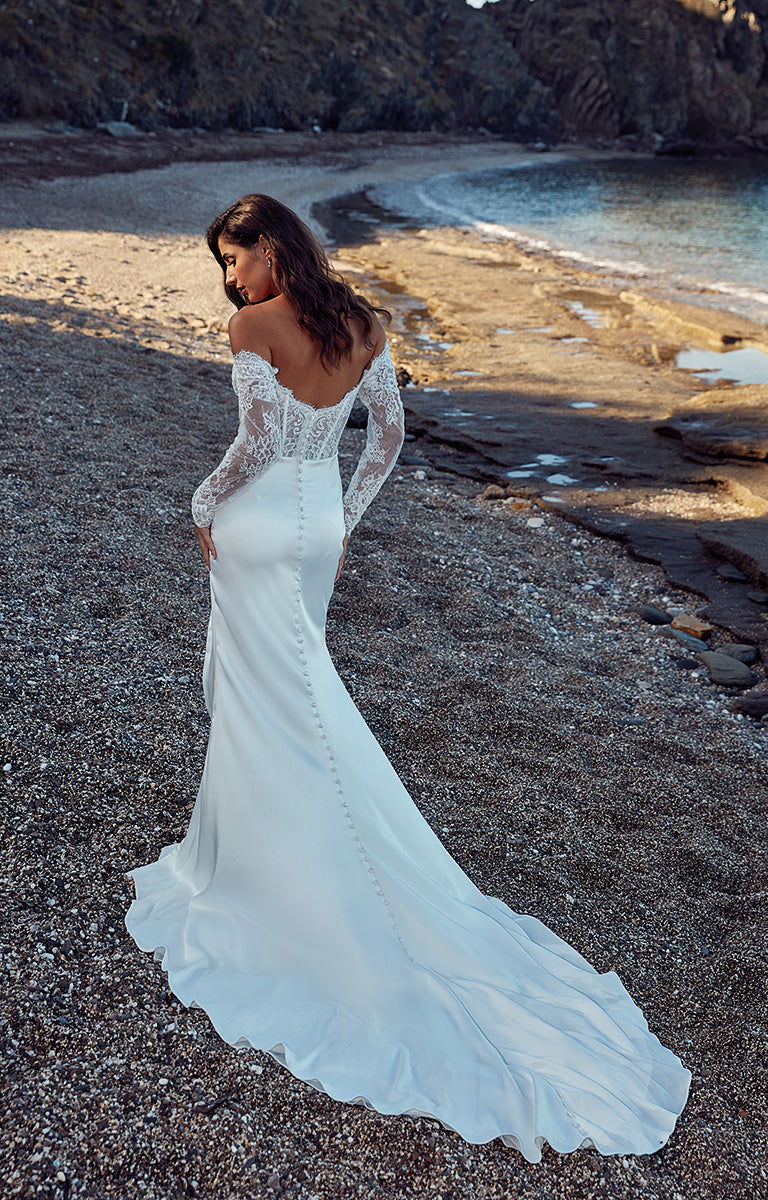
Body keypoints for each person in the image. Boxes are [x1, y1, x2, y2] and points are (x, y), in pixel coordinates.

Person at [125, 194, 690, 1162]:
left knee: (273, 704)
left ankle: (272, 879)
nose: (231, 279)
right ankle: (275, 851)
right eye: (224, 266)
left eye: (236, 258)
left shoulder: (254, 327)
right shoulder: (364, 321)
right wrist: (345, 523)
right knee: (298, 694)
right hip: (317, 528)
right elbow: (386, 436)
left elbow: (256, 445)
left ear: (271, 248)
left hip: (260, 523)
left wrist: (201, 499)